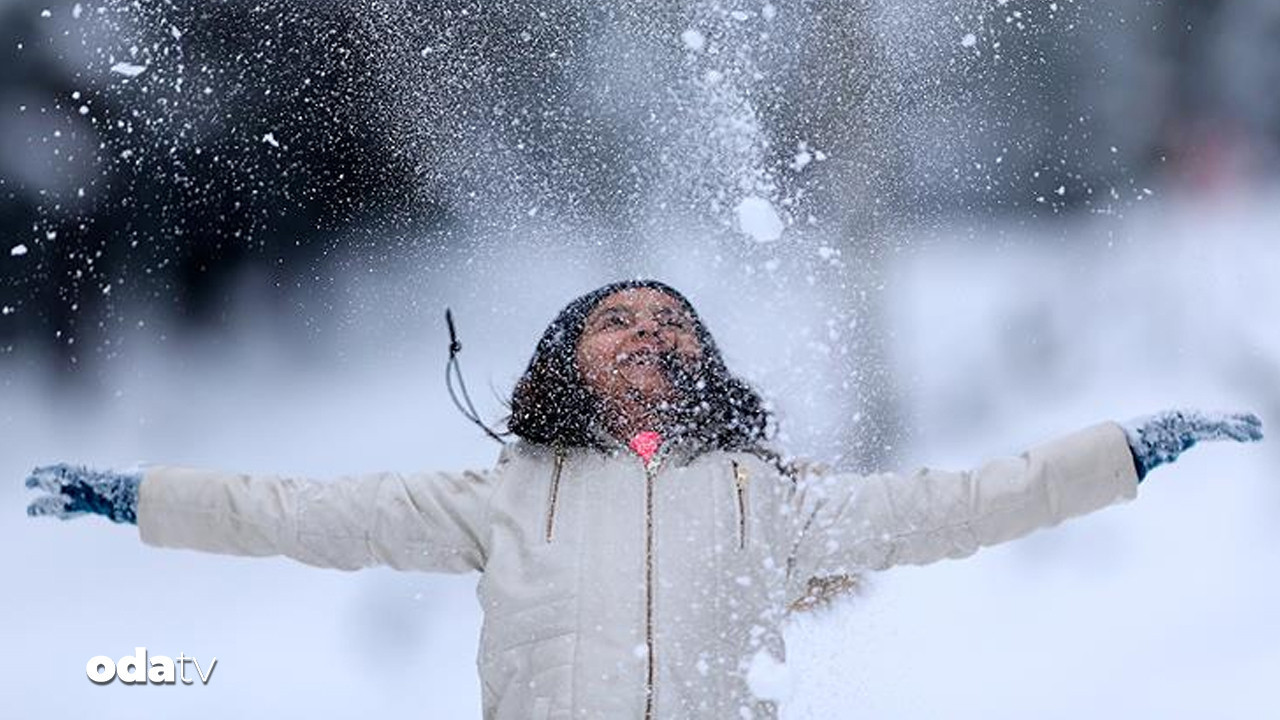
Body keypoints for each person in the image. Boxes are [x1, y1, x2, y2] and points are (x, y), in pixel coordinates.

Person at [26, 279, 1263, 720]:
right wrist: (138, 497)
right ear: (566, 358)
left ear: (703, 363)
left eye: (672, 322)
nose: (647, 332)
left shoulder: (768, 503)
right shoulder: (500, 496)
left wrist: (1126, 451)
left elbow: (966, 502)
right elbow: (292, 511)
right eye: (615, 319)